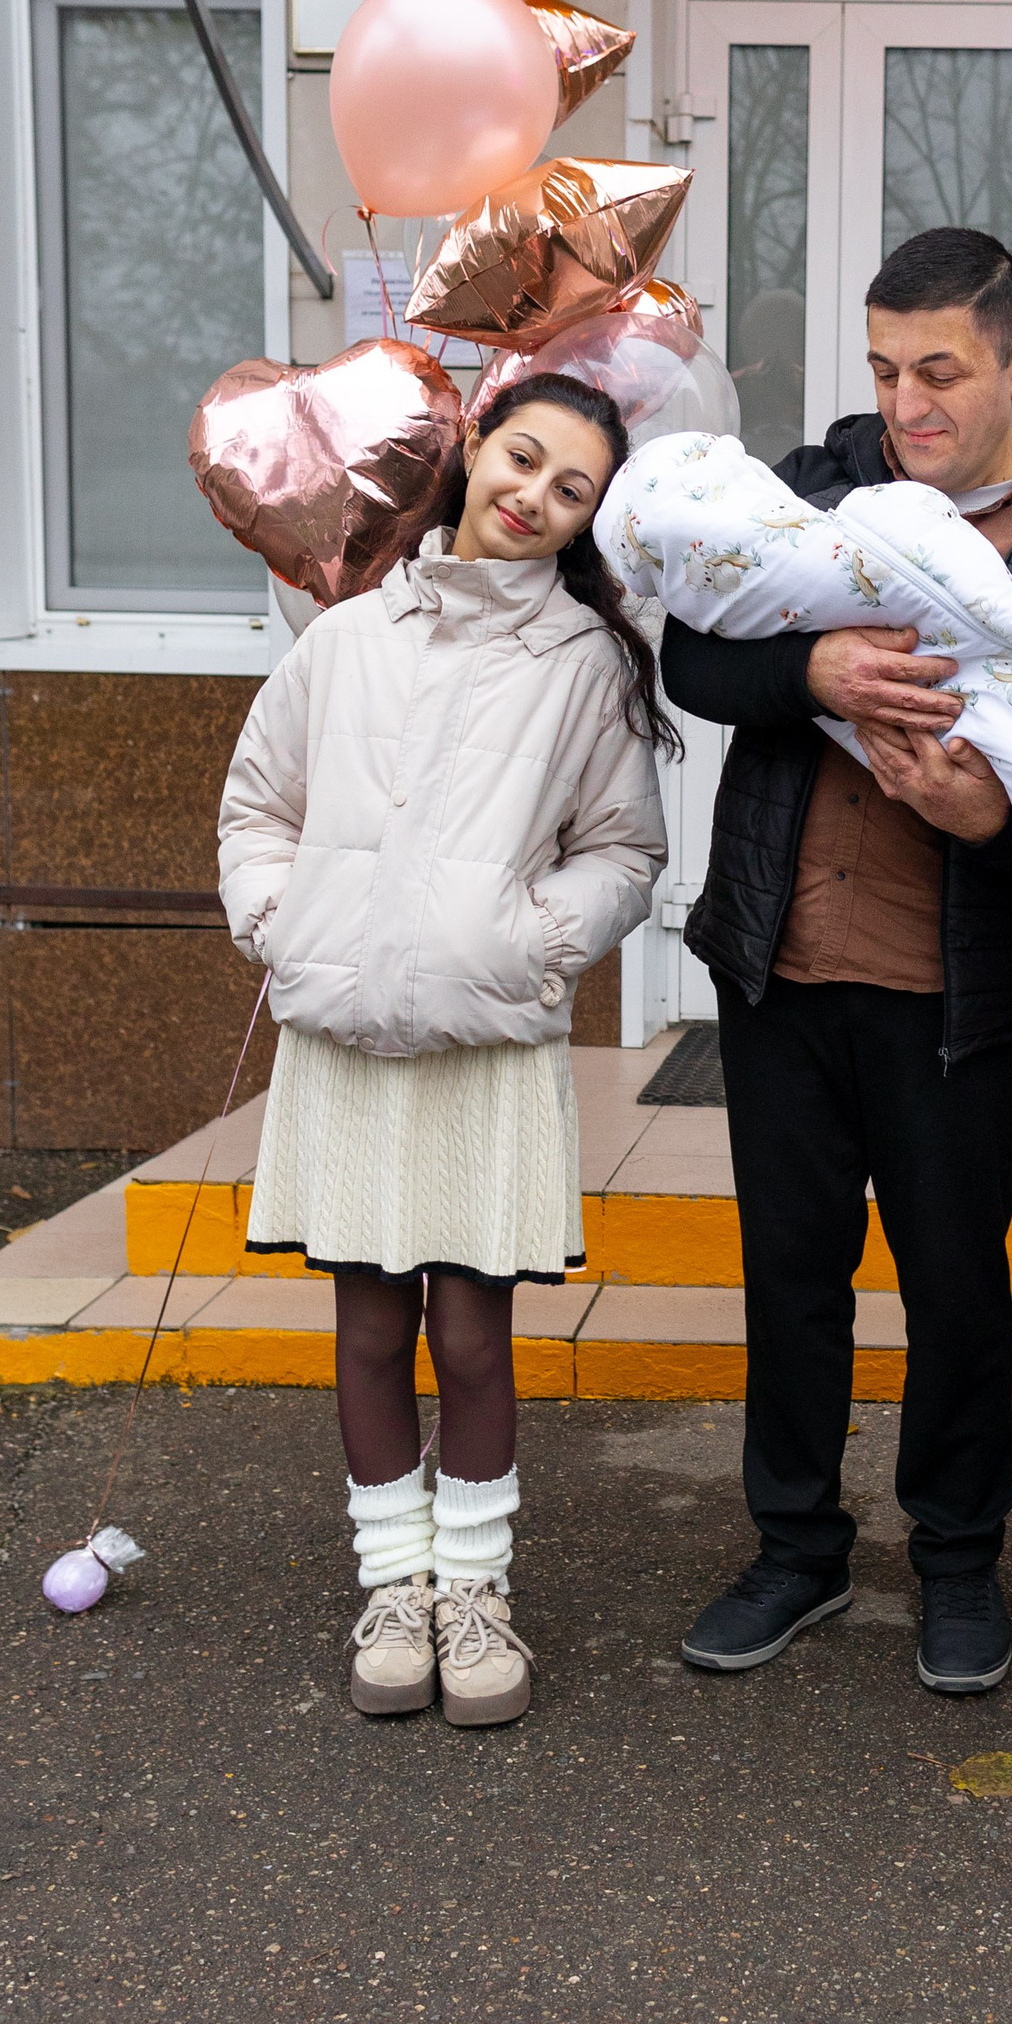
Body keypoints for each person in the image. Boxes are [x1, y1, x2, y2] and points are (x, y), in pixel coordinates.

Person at [664, 226, 1012, 1693]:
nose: (906, 404)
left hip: (950, 994)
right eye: (883, 370)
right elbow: (689, 656)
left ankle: (959, 1563)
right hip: (778, 961)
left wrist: (988, 818)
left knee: (957, 1289)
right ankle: (794, 1552)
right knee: (789, 1279)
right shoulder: (812, 492)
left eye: (940, 372)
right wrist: (807, 666)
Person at [218, 376, 670, 1727]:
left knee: (471, 1340)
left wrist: (528, 943)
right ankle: (394, 1587)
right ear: (474, 446)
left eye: (572, 490)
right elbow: (259, 804)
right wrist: (283, 920)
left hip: (486, 1040)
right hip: (349, 1032)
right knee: (369, 1329)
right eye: (523, 459)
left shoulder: (585, 664)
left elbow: (624, 851)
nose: (534, 497)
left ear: (589, 519)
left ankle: (475, 1595)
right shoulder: (347, 637)